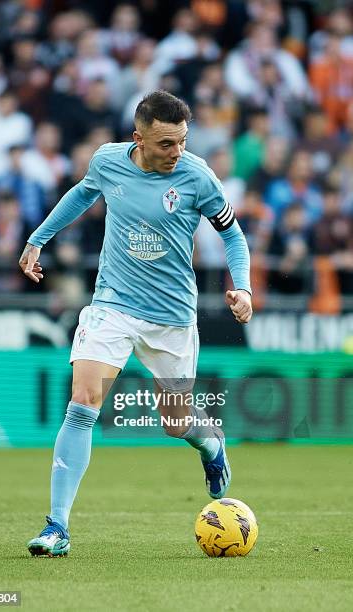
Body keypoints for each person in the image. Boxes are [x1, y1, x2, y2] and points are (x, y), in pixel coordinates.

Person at [18, 91, 252, 557]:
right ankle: (56, 527)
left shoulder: (197, 176)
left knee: (174, 421)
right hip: (113, 305)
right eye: (166, 143)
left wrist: (242, 287)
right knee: (83, 401)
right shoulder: (108, 162)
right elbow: (81, 195)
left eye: (182, 141)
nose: (176, 152)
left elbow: (232, 235)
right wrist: (37, 239)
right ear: (138, 138)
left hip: (172, 318)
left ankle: (210, 444)